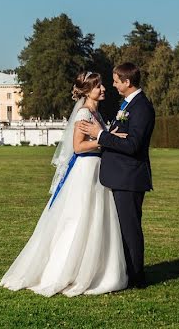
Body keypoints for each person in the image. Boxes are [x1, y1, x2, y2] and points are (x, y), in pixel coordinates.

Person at [0, 71, 128, 296]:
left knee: (96, 218)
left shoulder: (95, 113)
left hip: (96, 170)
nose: (103, 89)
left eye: (102, 85)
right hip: (86, 170)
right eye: (98, 86)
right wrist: (106, 141)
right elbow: (78, 147)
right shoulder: (84, 114)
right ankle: (68, 269)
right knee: (80, 218)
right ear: (87, 91)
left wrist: (107, 137)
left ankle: (95, 267)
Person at [77, 62, 155, 289]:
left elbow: (132, 145)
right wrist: (109, 135)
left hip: (129, 177)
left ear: (127, 82)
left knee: (130, 229)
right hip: (120, 175)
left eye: (116, 81)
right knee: (122, 228)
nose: (112, 85)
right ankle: (126, 273)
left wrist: (100, 135)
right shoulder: (128, 105)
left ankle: (136, 277)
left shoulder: (141, 107)